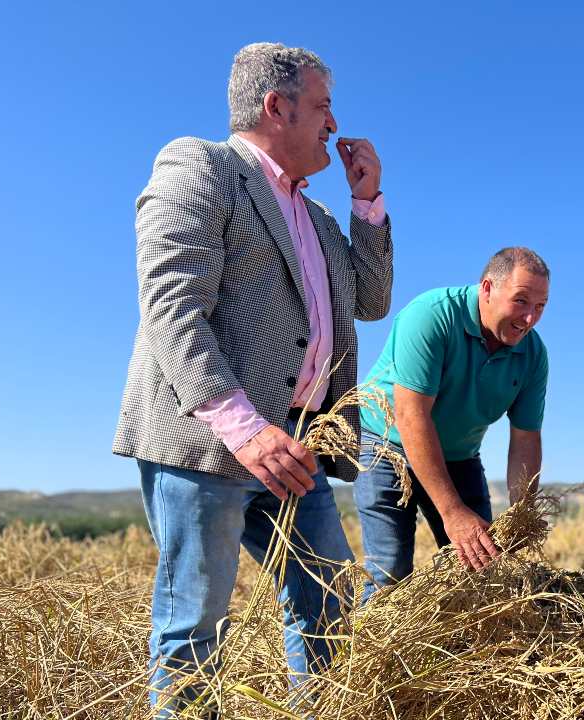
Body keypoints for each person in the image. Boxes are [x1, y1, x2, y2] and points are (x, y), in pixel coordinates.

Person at [112, 42, 393, 714]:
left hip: (298, 443)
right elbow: (173, 308)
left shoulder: (321, 218)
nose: (333, 124)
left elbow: (373, 300)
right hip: (211, 439)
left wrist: (366, 200)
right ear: (277, 106)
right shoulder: (201, 167)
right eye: (322, 107)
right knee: (193, 625)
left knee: (326, 605)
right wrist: (245, 429)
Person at [353, 247, 549, 602]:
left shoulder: (533, 354)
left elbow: (525, 439)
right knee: (390, 571)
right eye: (521, 302)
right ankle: (363, 653)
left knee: (480, 568)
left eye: (540, 307)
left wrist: (523, 512)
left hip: (458, 455)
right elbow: (411, 417)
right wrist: (453, 511)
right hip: (386, 444)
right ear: (487, 288)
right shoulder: (430, 317)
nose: (530, 318)